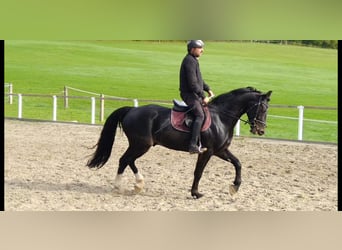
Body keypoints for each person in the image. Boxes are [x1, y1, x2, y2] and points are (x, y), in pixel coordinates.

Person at [179, 40, 215, 154]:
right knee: (199, 115)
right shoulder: (189, 61)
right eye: (200, 48)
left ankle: (201, 141)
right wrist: (203, 96)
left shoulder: (193, 60)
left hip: (194, 94)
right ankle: (192, 145)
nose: (202, 50)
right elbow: (192, 83)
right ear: (192, 49)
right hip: (189, 95)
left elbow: (199, 80)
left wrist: (208, 89)